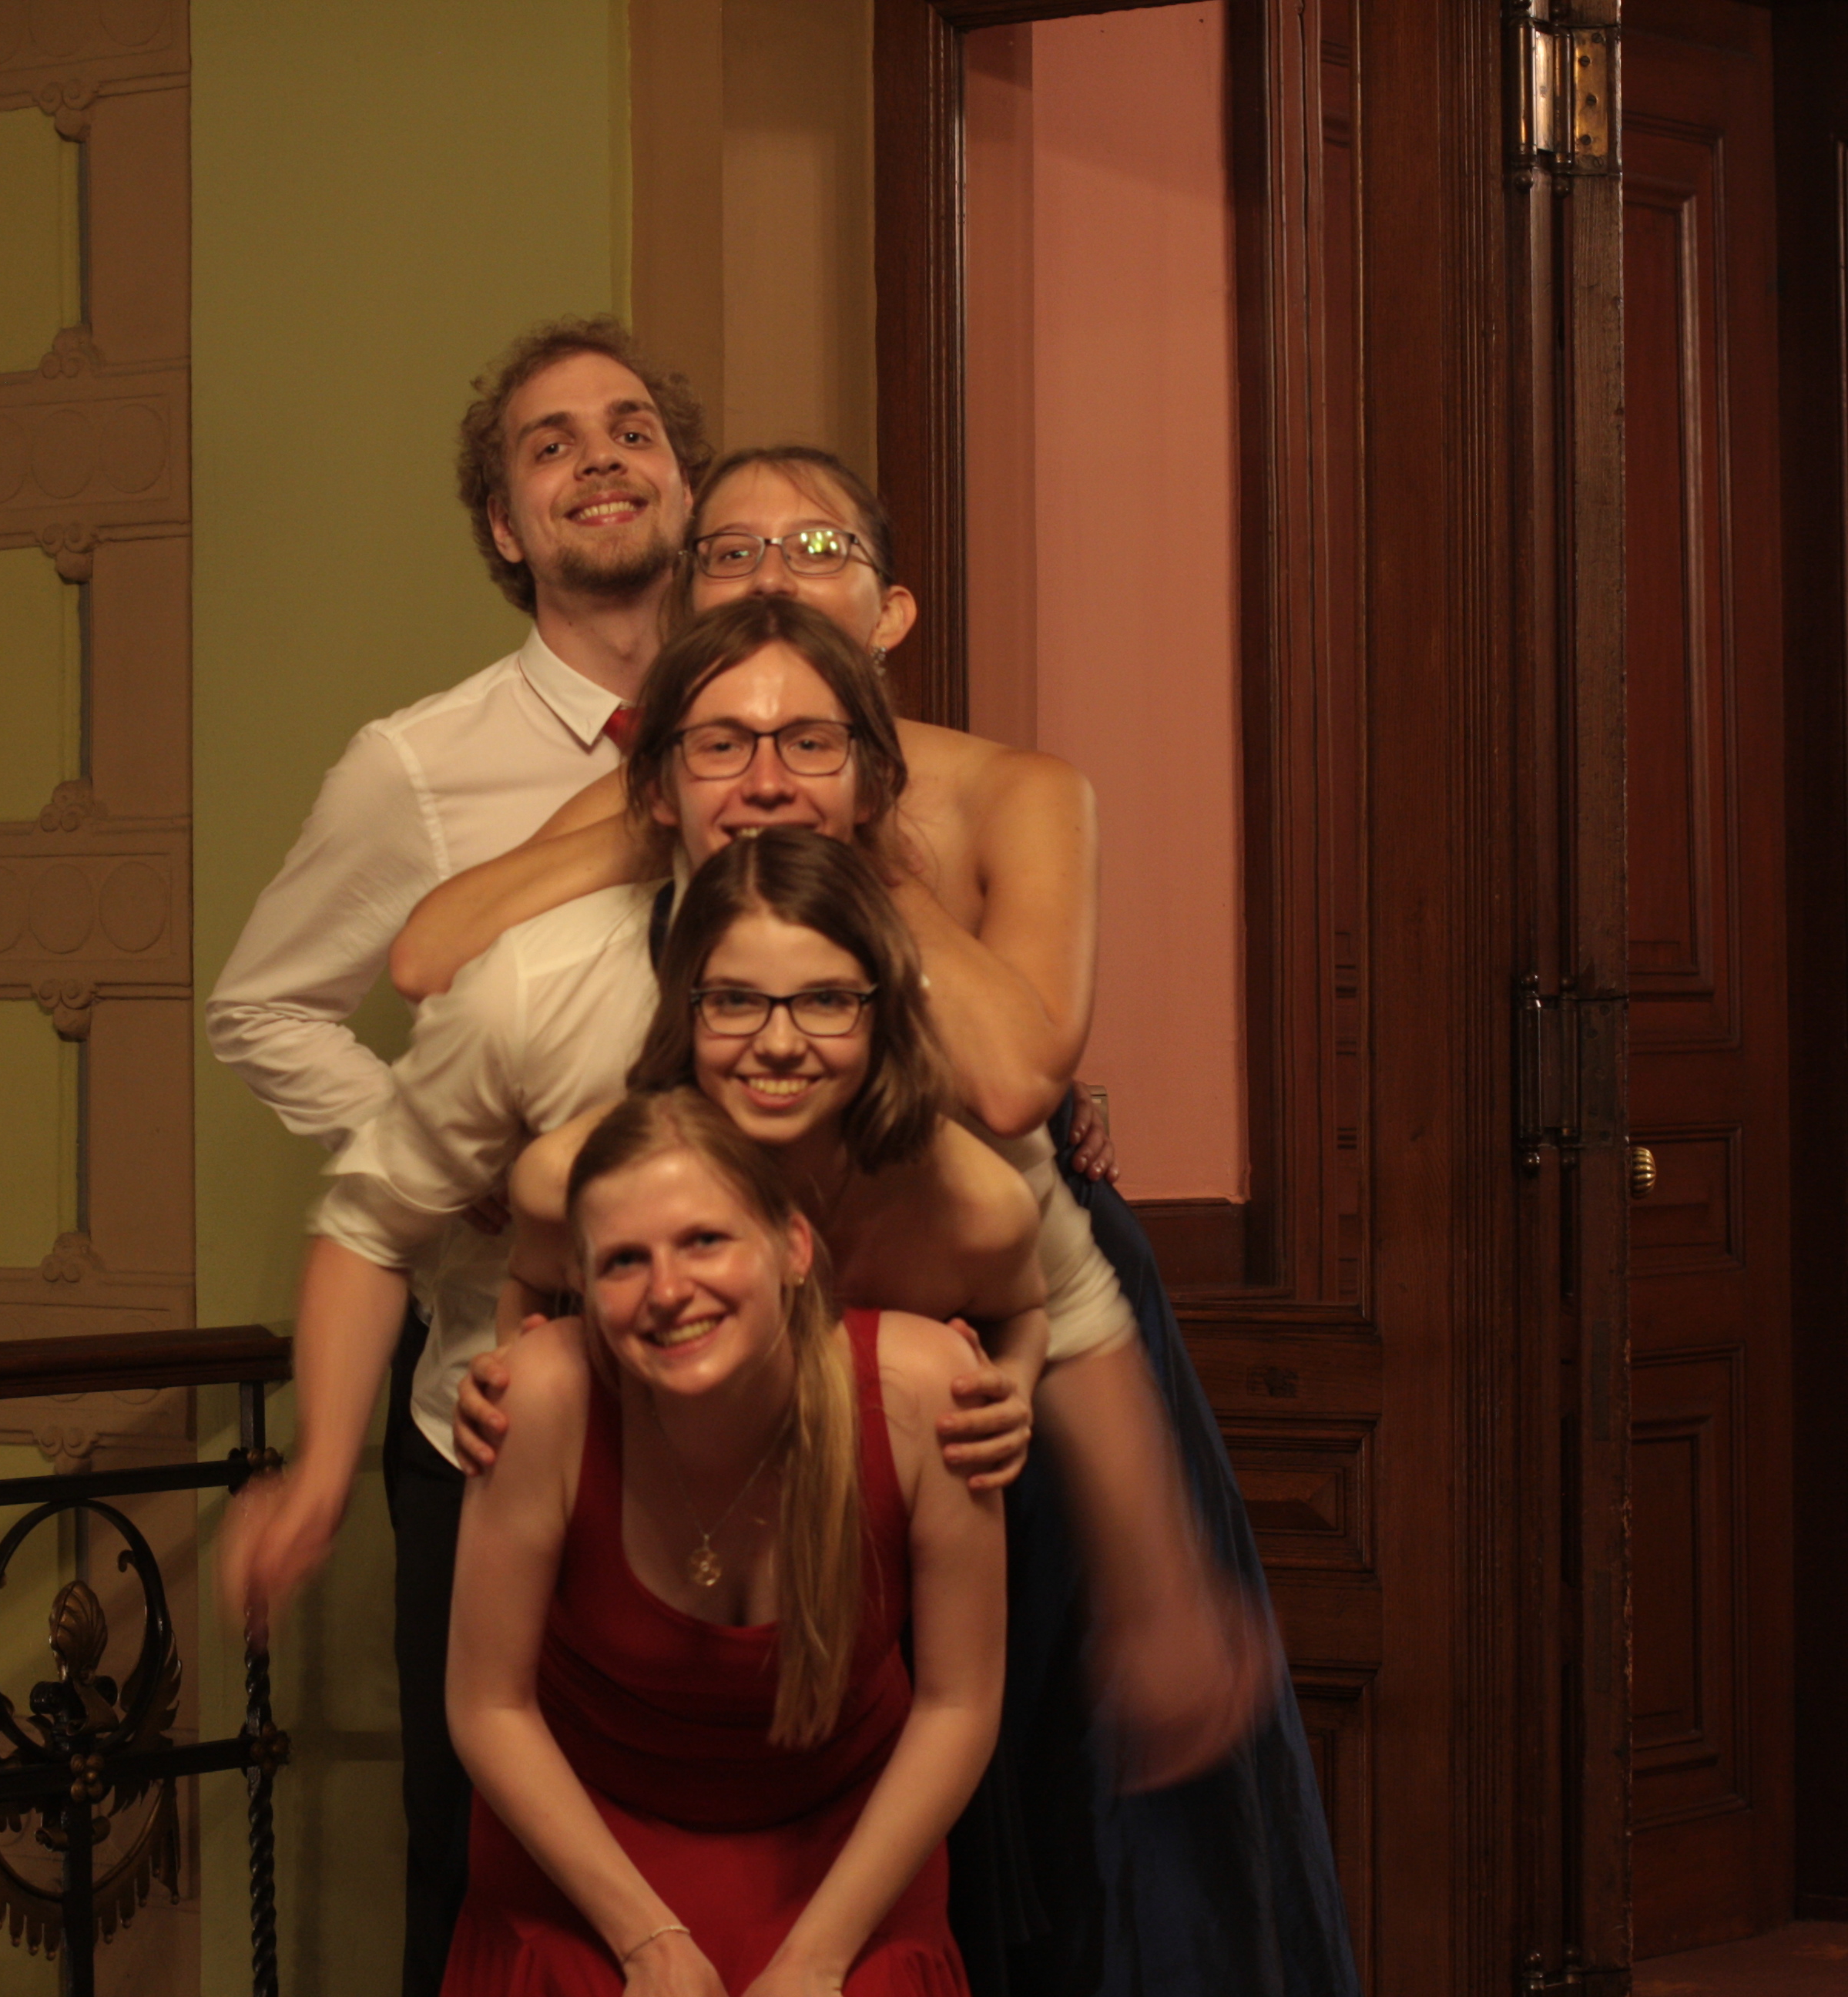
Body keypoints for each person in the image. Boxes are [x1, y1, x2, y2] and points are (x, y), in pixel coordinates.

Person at [421, 448, 1361, 1995]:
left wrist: (851, 856)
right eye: (730, 552)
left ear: (892, 605)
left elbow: (1011, 1079)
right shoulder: (703, 770)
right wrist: (688, 817)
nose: (774, 574)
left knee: (1070, 1796)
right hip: (728, 1304)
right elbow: (434, 956)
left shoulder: (1012, 790)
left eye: (818, 547)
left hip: (971, 1292)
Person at [203, 315, 714, 1997]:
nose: (599, 460)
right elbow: (261, 1008)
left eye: (631, 429)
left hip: (761, 1411)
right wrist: (453, 1166)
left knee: (725, 1850)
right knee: (492, 1873)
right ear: (504, 525)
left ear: (686, 485)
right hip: (494, 1408)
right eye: (548, 445)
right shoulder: (416, 766)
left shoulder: (778, 724)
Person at [444, 1087, 1001, 1995]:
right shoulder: (539, 1396)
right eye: (625, 1260)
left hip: (847, 1857)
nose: (668, 1291)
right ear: (581, 1282)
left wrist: (819, 1961)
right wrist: (647, 1944)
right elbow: (487, 1707)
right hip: (584, 1856)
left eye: (705, 1240)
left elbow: (959, 1705)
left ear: (793, 1247)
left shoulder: (925, 1393)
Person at [495, 829, 1049, 1477]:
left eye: (827, 1000)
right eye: (735, 1001)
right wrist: (512, 1378)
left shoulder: (975, 1206)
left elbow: (1023, 1312)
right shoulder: (566, 1182)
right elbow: (529, 1286)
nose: (780, 1044)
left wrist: (1015, 1384)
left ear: (883, 1010)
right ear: (685, 1009)